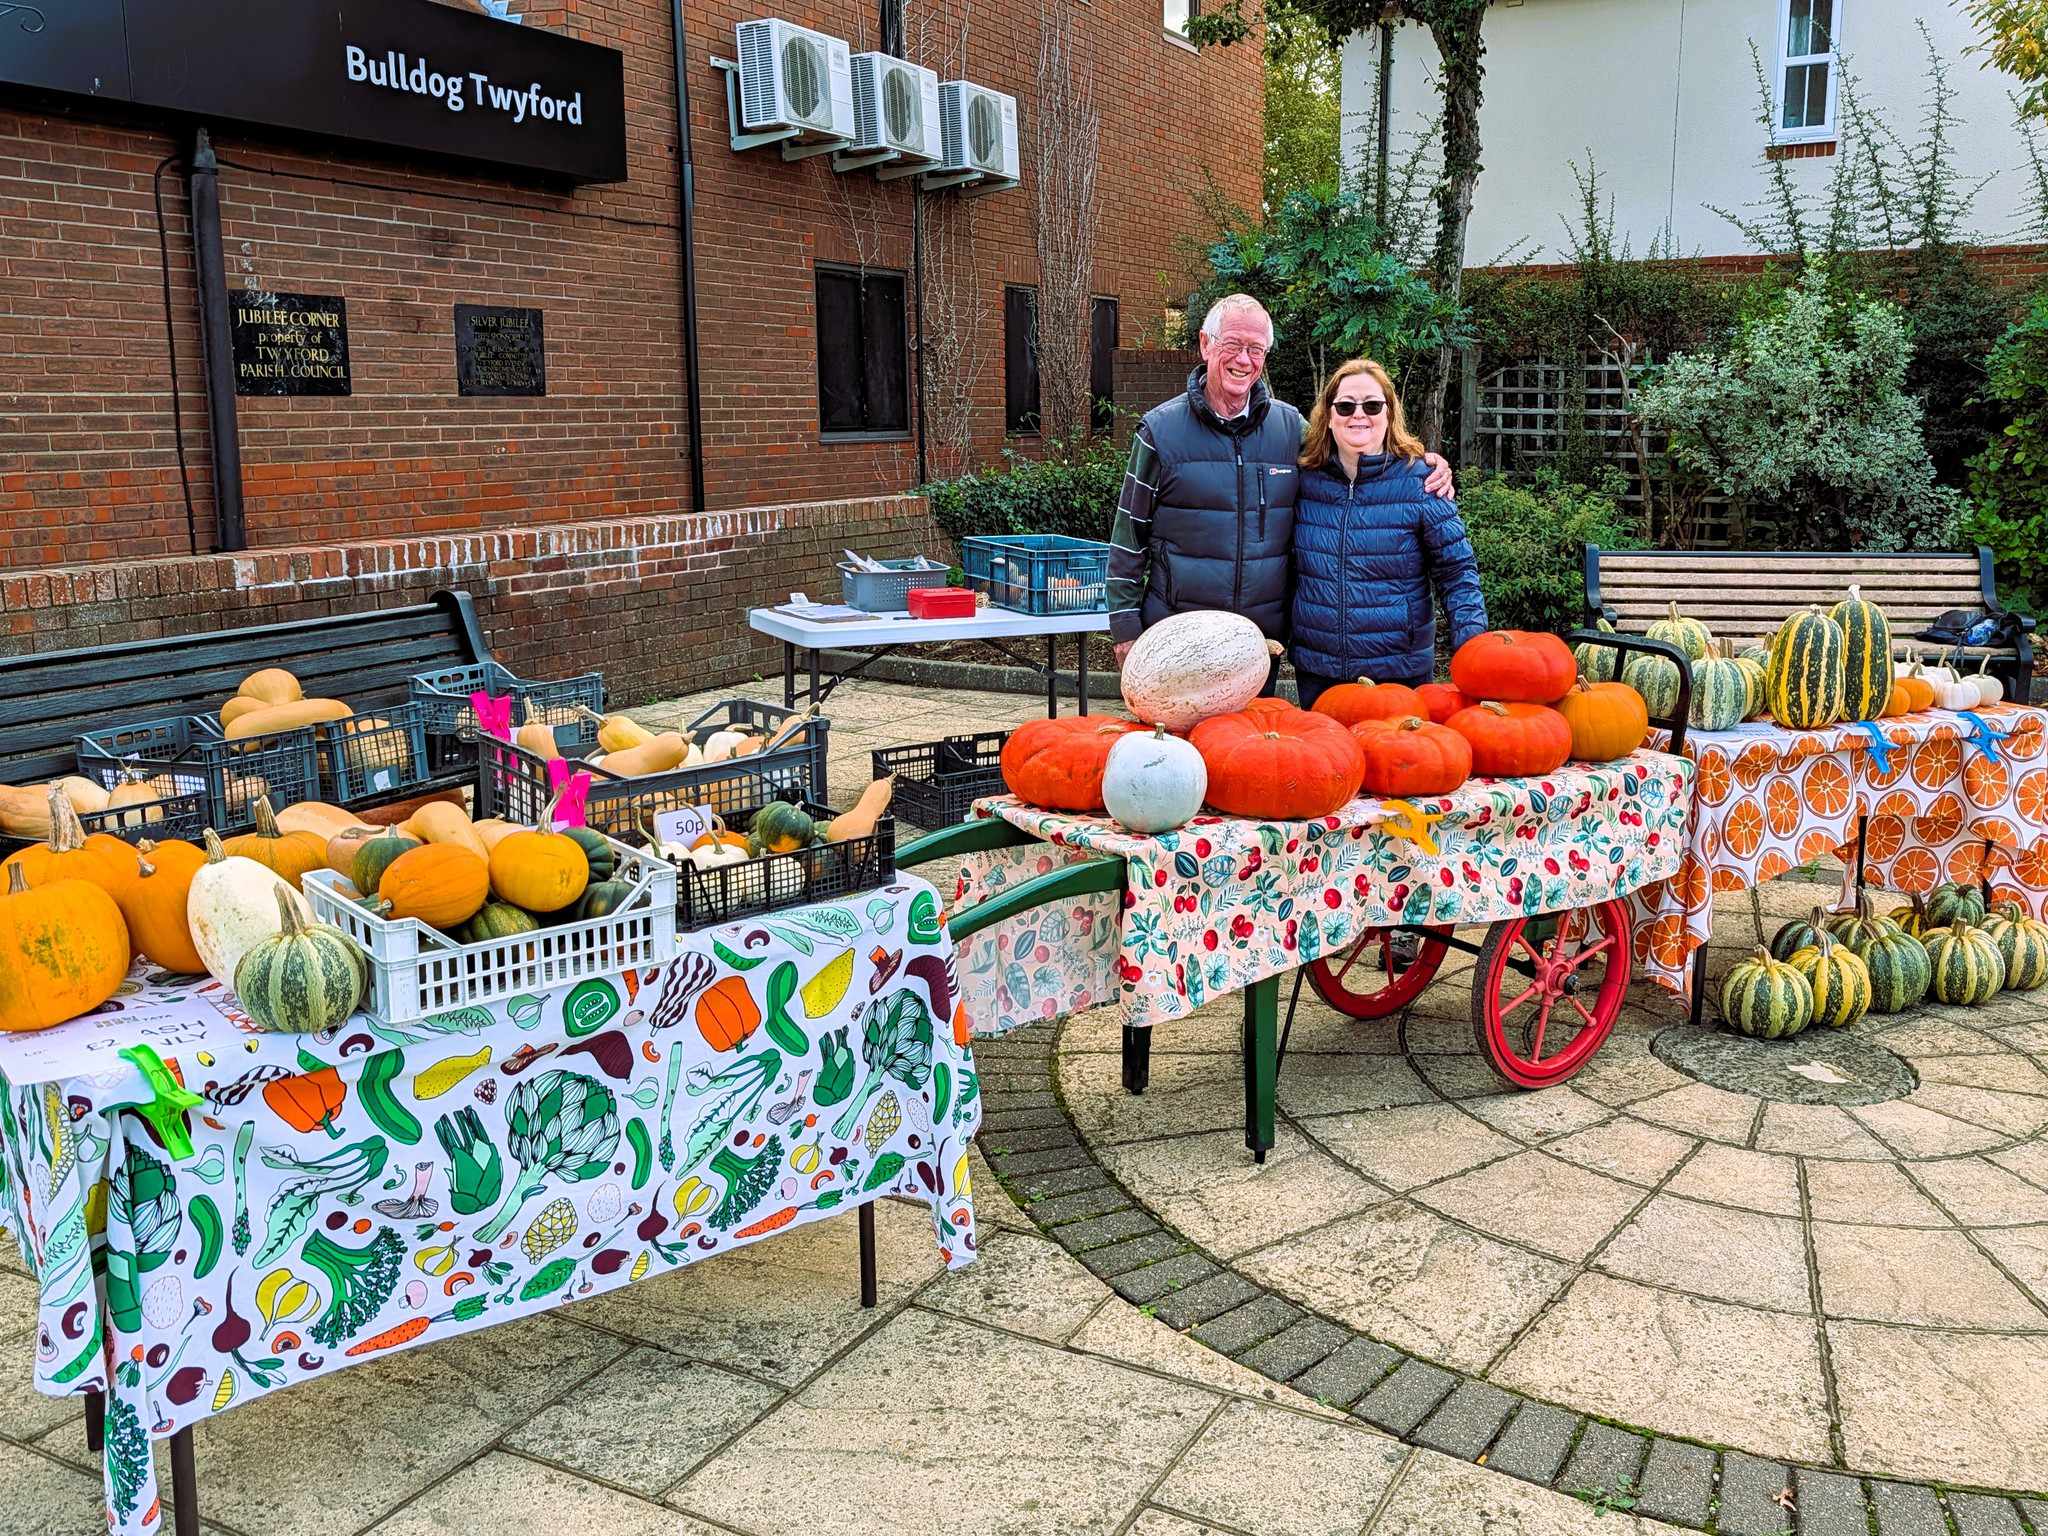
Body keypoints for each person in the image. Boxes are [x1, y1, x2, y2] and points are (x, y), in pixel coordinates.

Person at [1106, 295, 1455, 675]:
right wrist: (1125, 629)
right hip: (1178, 640)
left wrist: (1420, 464)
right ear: (1206, 344)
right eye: (1233, 345)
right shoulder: (1160, 431)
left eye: (1255, 349)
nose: (1244, 360)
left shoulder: (1291, 431)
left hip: (1257, 644)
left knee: (1250, 735)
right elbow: (1128, 537)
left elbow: (1359, 461)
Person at [1289, 357, 1487, 712]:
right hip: (1320, 674)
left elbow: (1457, 573)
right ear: (1329, 417)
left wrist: (1473, 651)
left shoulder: (1421, 481)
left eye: (1372, 405)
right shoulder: (1304, 481)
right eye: (1346, 406)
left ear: (1390, 414)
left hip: (1398, 673)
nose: (1358, 415)